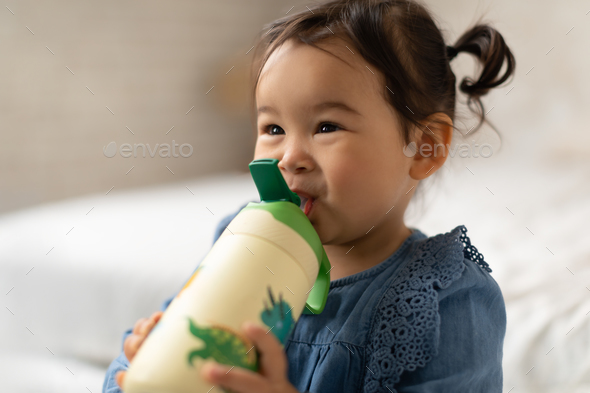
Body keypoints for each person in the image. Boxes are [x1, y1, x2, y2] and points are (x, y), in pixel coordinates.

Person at [102, 0, 515, 391]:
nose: (290, 158)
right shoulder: (242, 242)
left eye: (326, 127)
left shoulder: (447, 302)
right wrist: (141, 359)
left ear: (424, 147)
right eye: (273, 130)